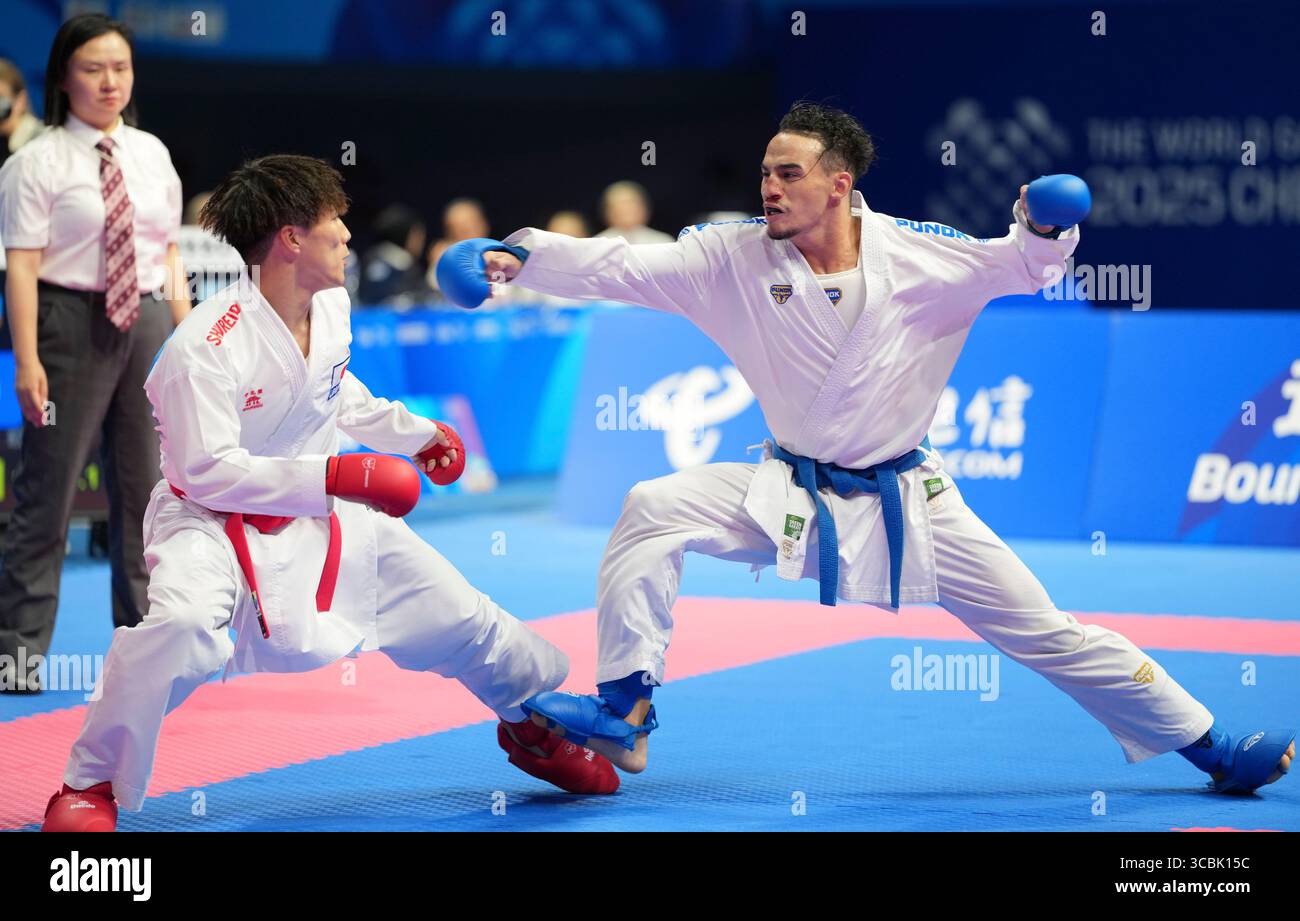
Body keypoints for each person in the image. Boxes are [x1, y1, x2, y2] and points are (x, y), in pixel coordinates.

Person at [452, 102, 1295, 796]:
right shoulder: (732, 257)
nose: (770, 188)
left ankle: (1214, 747)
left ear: (839, 184)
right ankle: (627, 712)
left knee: (1048, 631)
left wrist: (1043, 226)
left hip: (910, 501)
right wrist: (518, 256)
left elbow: (1018, 267)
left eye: (790, 174)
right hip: (787, 489)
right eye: (765, 173)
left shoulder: (925, 256)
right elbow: (617, 269)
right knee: (652, 509)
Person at [39, 154, 617, 832]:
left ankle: (534, 727)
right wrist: (338, 475)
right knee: (180, 628)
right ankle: (89, 782)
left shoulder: (333, 305)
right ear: (289, 238)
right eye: (331, 222)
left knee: (464, 615)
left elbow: (337, 393)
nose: (346, 234)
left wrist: (416, 434)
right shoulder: (203, 346)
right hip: (211, 525)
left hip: (322, 518)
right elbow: (204, 469)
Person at [0, 14, 192, 693]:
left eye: (120, 67)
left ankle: (145, 653)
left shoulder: (151, 153)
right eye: (92, 68)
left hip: (145, 320)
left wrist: (185, 338)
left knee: (147, 497)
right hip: (66, 322)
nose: (109, 81)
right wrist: (28, 360)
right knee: (45, 497)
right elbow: (20, 267)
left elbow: (168, 252)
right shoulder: (36, 161)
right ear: (63, 77)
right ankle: (17, 657)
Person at [356, 203, 431, 308]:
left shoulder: (368, 257)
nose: (421, 241)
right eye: (417, 235)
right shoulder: (406, 265)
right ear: (406, 235)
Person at [596, 180, 671, 244]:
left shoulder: (664, 241)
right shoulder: (597, 243)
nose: (626, 210)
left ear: (644, 209)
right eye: (621, 205)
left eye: (631, 204)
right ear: (607, 213)